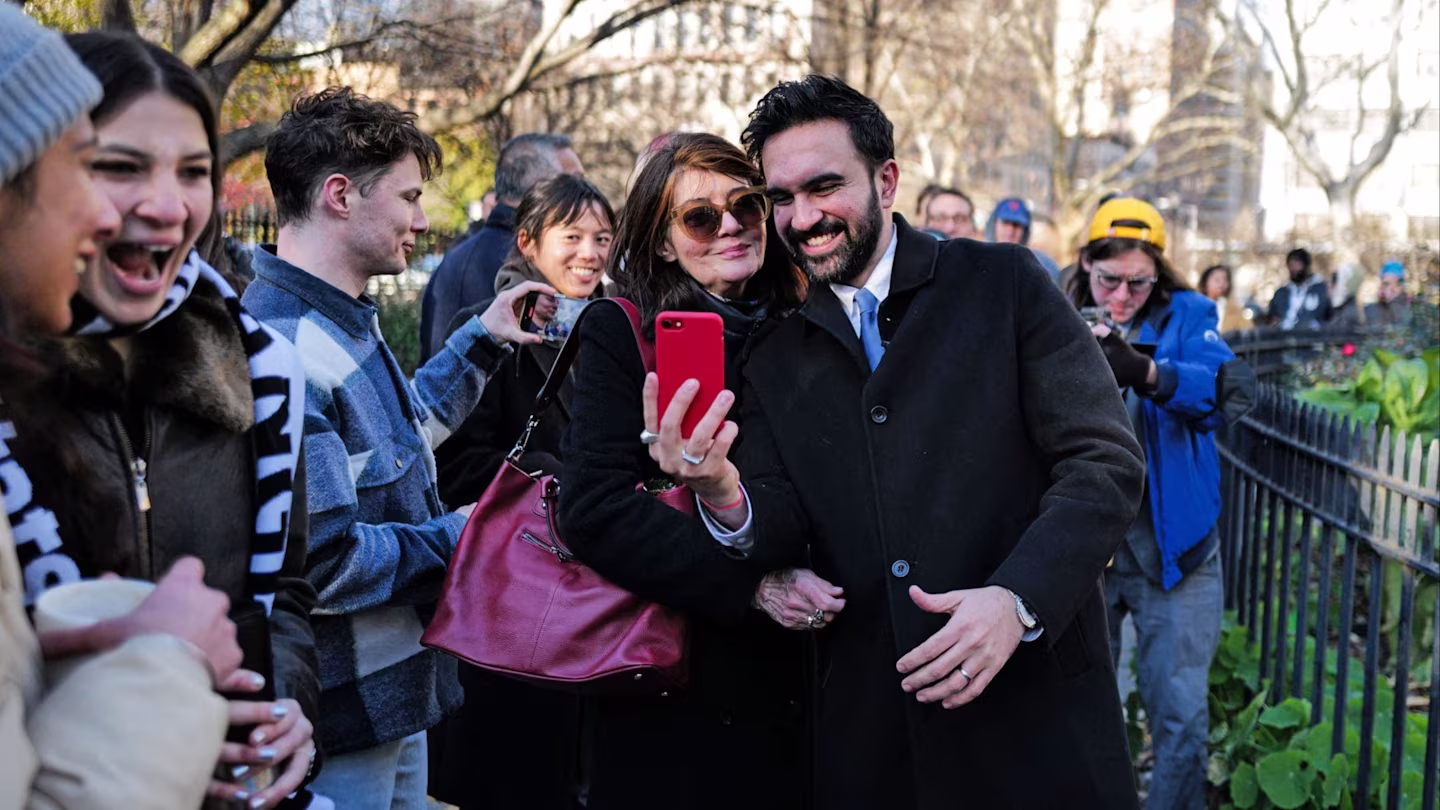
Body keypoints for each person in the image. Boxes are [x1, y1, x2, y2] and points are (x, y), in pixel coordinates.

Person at [660, 74, 1147, 809]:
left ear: (886, 180)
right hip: (872, 741)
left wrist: (1017, 600)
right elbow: (780, 519)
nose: (803, 217)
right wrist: (721, 493)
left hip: (1034, 719)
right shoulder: (772, 355)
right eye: (781, 197)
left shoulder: (1004, 282)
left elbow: (1104, 463)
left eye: (825, 186)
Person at [0, 30, 322, 809]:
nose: (168, 206)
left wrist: (283, 714)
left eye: (194, 172)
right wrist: (157, 688)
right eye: (114, 166)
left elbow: (287, 599)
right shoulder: (14, 377)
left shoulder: (262, 368)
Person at [241, 86, 548, 810]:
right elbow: (324, 564)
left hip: (394, 701)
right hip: (343, 724)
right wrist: (461, 533)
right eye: (409, 197)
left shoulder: (337, 316)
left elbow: (398, 443)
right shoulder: (287, 348)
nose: (422, 219)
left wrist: (483, 339)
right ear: (340, 195)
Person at [555, 132, 818, 810]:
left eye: (747, 205)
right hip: (676, 684)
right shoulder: (623, 329)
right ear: (665, 243)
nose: (731, 226)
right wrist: (751, 588)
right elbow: (593, 509)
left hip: (808, 680)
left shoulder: (809, 321)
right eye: (700, 217)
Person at [426, 173, 615, 810]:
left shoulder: (615, 328)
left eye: (602, 237)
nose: (590, 252)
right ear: (529, 242)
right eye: (573, 236)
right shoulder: (489, 328)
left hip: (596, 590)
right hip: (513, 593)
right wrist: (559, 479)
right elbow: (454, 463)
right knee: (514, 769)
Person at [1068, 197, 1246, 810]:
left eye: (1138, 282)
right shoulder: (1055, 307)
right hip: (1084, 554)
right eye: (1108, 280)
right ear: (1086, 264)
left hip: (1177, 552)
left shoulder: (1190, 313)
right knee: (1081, 709)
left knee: (1180, 713)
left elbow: (1224, 395)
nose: (1122, 295)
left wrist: (1147, 373)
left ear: (1159, 273)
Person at [419, 133, 583, 362]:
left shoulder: (469, 256)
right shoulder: (485, 266)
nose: (584, 194)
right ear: (540, 188)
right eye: (574, 182)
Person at [986, 195, 1061, 283]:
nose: (1010, 230)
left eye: (1016, 225)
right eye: (1005, 223)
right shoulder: (978, 261)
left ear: (1025, 230)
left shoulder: (1043, 266)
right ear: (994, 224)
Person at [1265, 247, 1331, 329]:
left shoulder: (1321, 290)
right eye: (1291, 265)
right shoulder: (1281, 293)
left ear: (1306, 266)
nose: (1294, 269)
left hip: (1311, 334)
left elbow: (1327, 315)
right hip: (1283, 334)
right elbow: (1272, 317)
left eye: (1297, 265)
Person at [1199, 263, 1250, 331]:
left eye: (1225, 279)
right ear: (1205, 283)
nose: (1222, 283)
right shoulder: (1196, 307)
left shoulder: (1234, 309)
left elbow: (1247, 330)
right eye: (1217, 280)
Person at [1365, 259, 1413, 327]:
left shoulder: (1412, 310)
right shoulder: (1372, 311)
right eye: (1386, 284)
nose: (1391, 289)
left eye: (1396, 284)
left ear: (1401, 286)